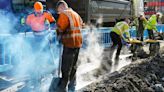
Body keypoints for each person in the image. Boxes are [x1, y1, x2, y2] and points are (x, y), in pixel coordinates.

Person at [55, 0, 83, 92]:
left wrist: (58, 37)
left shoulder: (64, 14)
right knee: (73, 66)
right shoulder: (76, 14)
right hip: (78, 44)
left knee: (65, 68)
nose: (59, 13)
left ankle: (62, 89)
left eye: (58, 10)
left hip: (69, 44)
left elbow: (60, 28)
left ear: (62, 7)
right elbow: (82, 25)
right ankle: (72, 86)